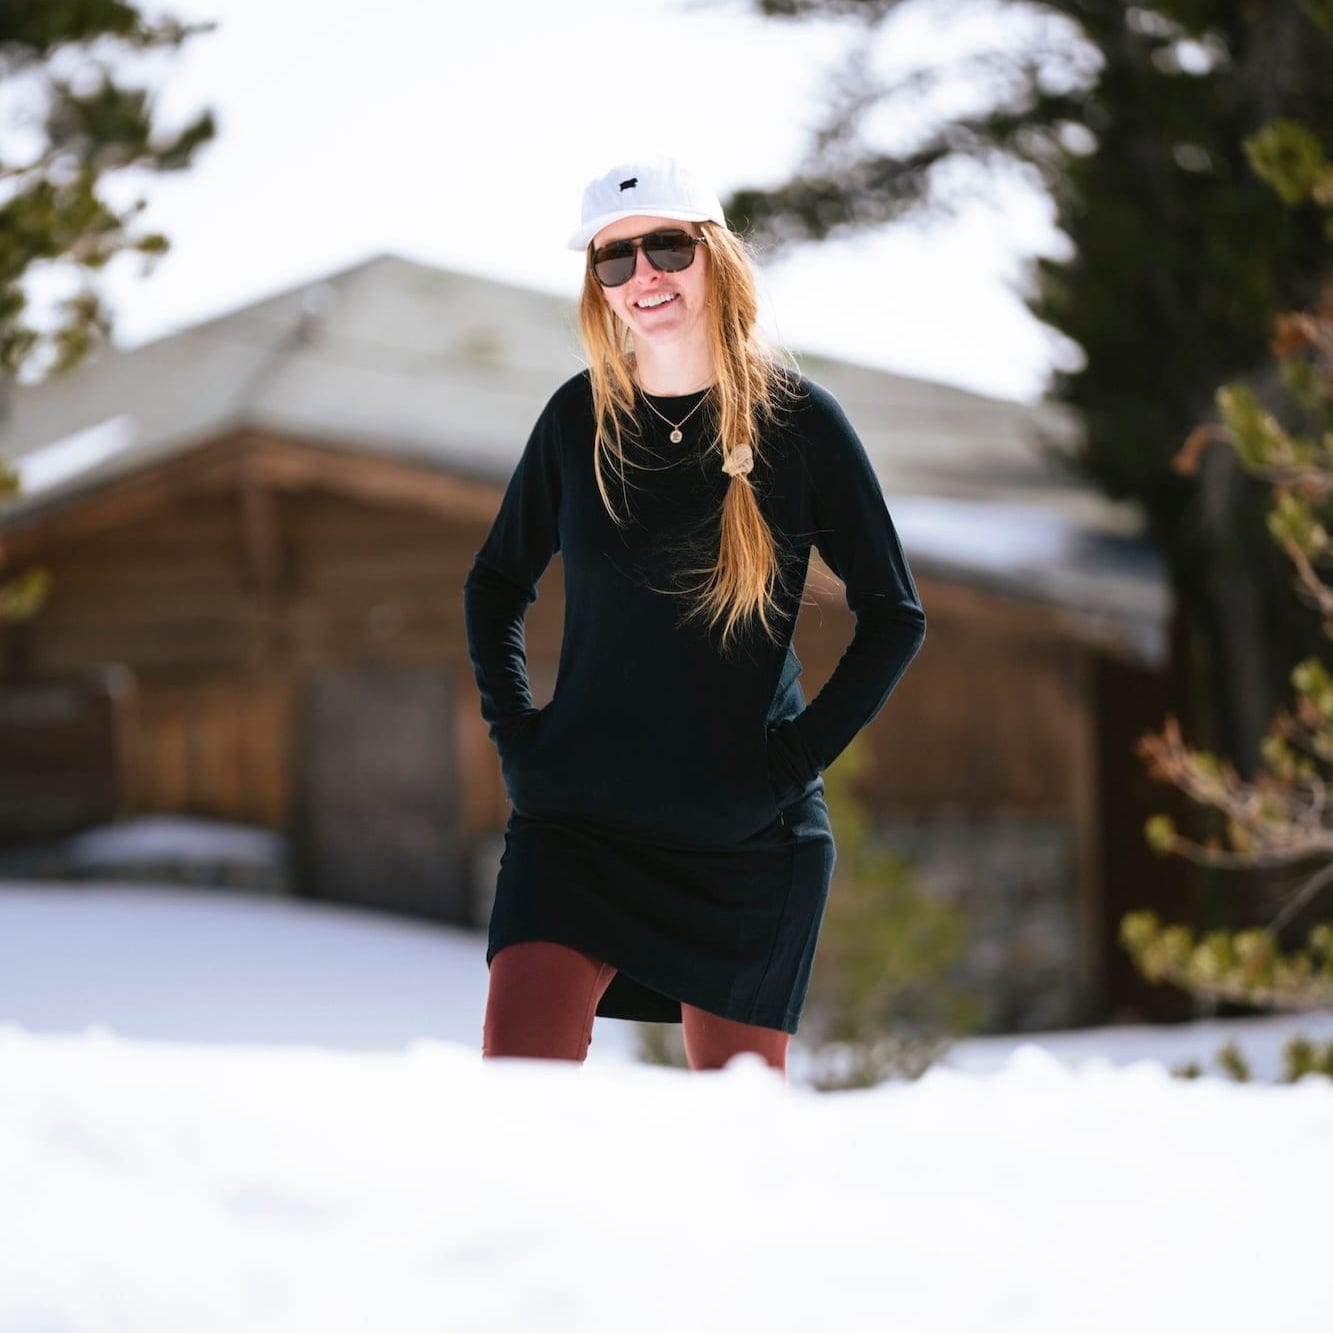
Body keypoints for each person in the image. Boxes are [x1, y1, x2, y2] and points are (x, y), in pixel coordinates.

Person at [463, 155, 926, 1079]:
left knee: (735, 1132)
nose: (644, 275)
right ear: (597, 285)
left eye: (667, 247)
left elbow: (893, 615)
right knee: (518, 1098)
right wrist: (518, 740)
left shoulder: (799, 422)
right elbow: (495, 584)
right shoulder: (577, 419)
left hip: (741, 843)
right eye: (614, 258)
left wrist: (787, 766)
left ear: (715, 256)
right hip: (575, 827)